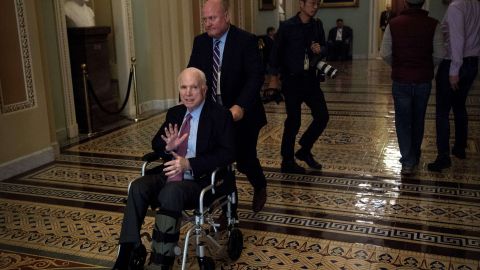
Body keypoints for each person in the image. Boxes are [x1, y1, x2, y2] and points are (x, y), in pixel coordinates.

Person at [111, 67, 235, 270]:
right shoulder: (176, 113)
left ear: (204, 89)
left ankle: (161, 262)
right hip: (170, 174)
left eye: (193, 87)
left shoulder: (219, 115)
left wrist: (190, 163)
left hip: (199, 180)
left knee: (171, 191)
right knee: (137, 186)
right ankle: (128, 250)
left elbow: (228, 153)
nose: (187, 93)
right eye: (183, 87)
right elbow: (156, 144)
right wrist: (167, 147)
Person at [188, 0, 268, 213]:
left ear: (226, 16)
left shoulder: (246, 40)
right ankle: (228, 211)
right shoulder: (200, 42)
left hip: (243, 112)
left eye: (212, 18)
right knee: (219, 162)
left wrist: (240, 106)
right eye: (205, 19)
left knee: (244, 159)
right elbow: (193, 73)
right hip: (214, 116)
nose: (207, 23)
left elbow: (255, 77)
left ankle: (260, 185)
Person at [380, 0, 445, 176]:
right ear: (423, 2)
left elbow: (384, 53)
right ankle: (414, 154)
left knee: (402, 122)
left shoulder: (394, 24)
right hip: (423, 80)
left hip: (401, 80)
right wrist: (425, 67)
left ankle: (408, 161)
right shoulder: (434, 24)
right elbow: (440, 54)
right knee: (418, 119)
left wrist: (399, 65)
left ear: (406, 3)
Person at [269, 0, 329, 174]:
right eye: (312, 3)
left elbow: (326, 47)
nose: (315, 7)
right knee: (293, 121)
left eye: (317, 4)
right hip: (292, 81)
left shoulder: (317, 25)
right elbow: (276, 53)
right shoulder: (287, 26)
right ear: (301, 4)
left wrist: (321, 49)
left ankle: (304, 150)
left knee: (322, 116)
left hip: (311, 80)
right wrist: (273, 78)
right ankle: (287, 161)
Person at [427, 0, 480, 172]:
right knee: (459, 105)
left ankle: (443, 157)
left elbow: (457, 39)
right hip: (472, 62)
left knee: (442, 112)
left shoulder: (456, 6)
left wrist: (454, 71)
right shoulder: (476, 4)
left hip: (454, 63)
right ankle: (459, 147)